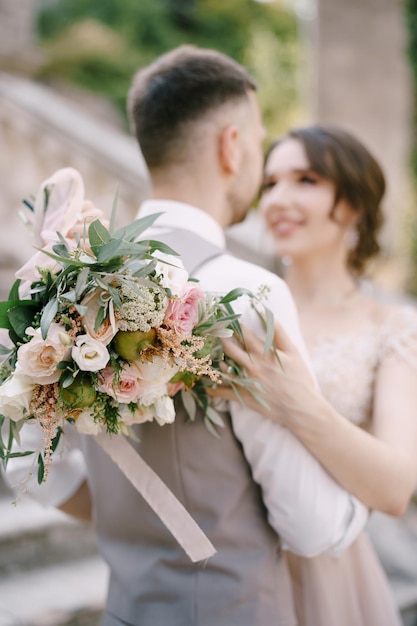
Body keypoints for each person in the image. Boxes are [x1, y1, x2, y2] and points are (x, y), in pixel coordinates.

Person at [4, 51, 369, 626]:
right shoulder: (247, 292)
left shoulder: (64, 285)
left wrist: (141, 527)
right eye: (259, 140)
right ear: (232, 146)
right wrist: (358, 508)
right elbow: (312, 526)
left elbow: (27, 467)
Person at [212, 124, 417, 626]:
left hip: (339, 565)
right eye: (271, 183)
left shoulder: (393, 325)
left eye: (305, 180)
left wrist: (295, 403)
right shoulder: (241, 313)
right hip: (233, 560)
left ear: (350, 204)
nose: (278, 199)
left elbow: (395, 488)